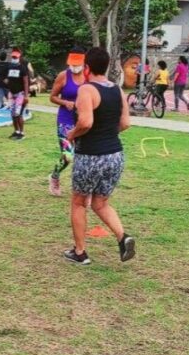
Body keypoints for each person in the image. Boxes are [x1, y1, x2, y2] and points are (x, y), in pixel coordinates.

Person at [64, 47, 136, 266]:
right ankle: (123, 237)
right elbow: (125, 123)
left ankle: (80, 252)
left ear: (87, 67)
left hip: (91, 155)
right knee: (101, 203)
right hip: (115, 155)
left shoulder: (86, 90)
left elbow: (86, 122)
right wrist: (106, 135)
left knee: (79, 203)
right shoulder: (117, 89)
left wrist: (72, 134)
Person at [48, 48, 86, 197]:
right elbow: (52, 96)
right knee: (68, 155)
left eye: (77, 64)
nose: (74, 67)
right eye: (72, 64)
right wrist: (64, 102)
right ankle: (55, 176)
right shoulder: (63, 76)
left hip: (83, 119)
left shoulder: (89, 77)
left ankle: (81, 187)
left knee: (83, 155)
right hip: (65, 120)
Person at [4, 48, 30, 140]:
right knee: (12, 113)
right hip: (11, 93)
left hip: (20, 93)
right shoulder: (9, 66)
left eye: (16, 57)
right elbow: (8, 78)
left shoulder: (22, 68)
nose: (14, 58)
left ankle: (22, 132)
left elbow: (26, 82)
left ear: (19, 57)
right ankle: (16, 131)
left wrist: (26, 95)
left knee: (18, 113)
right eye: (13, 57)